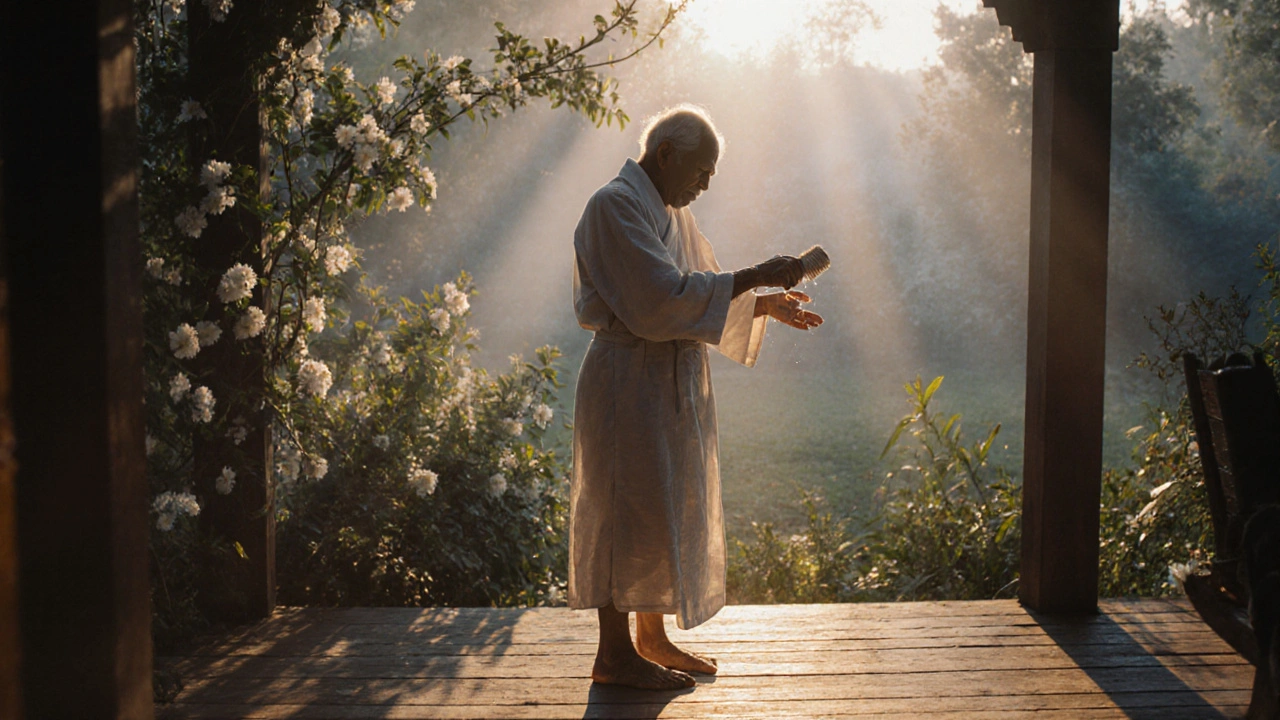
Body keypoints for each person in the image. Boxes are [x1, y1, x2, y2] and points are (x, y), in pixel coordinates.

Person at [569, 104, 824, 690]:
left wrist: (762, 302)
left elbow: (696, 294)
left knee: (657, 504)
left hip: (666, 380)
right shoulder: (614, 205)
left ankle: (651, 638)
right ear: (666, 155)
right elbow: (663, 300)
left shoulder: (668, 212)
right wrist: (758, 274)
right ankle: (613, 655)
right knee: (620, 507)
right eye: (702, 171)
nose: (705, 185)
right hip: (625, 380)